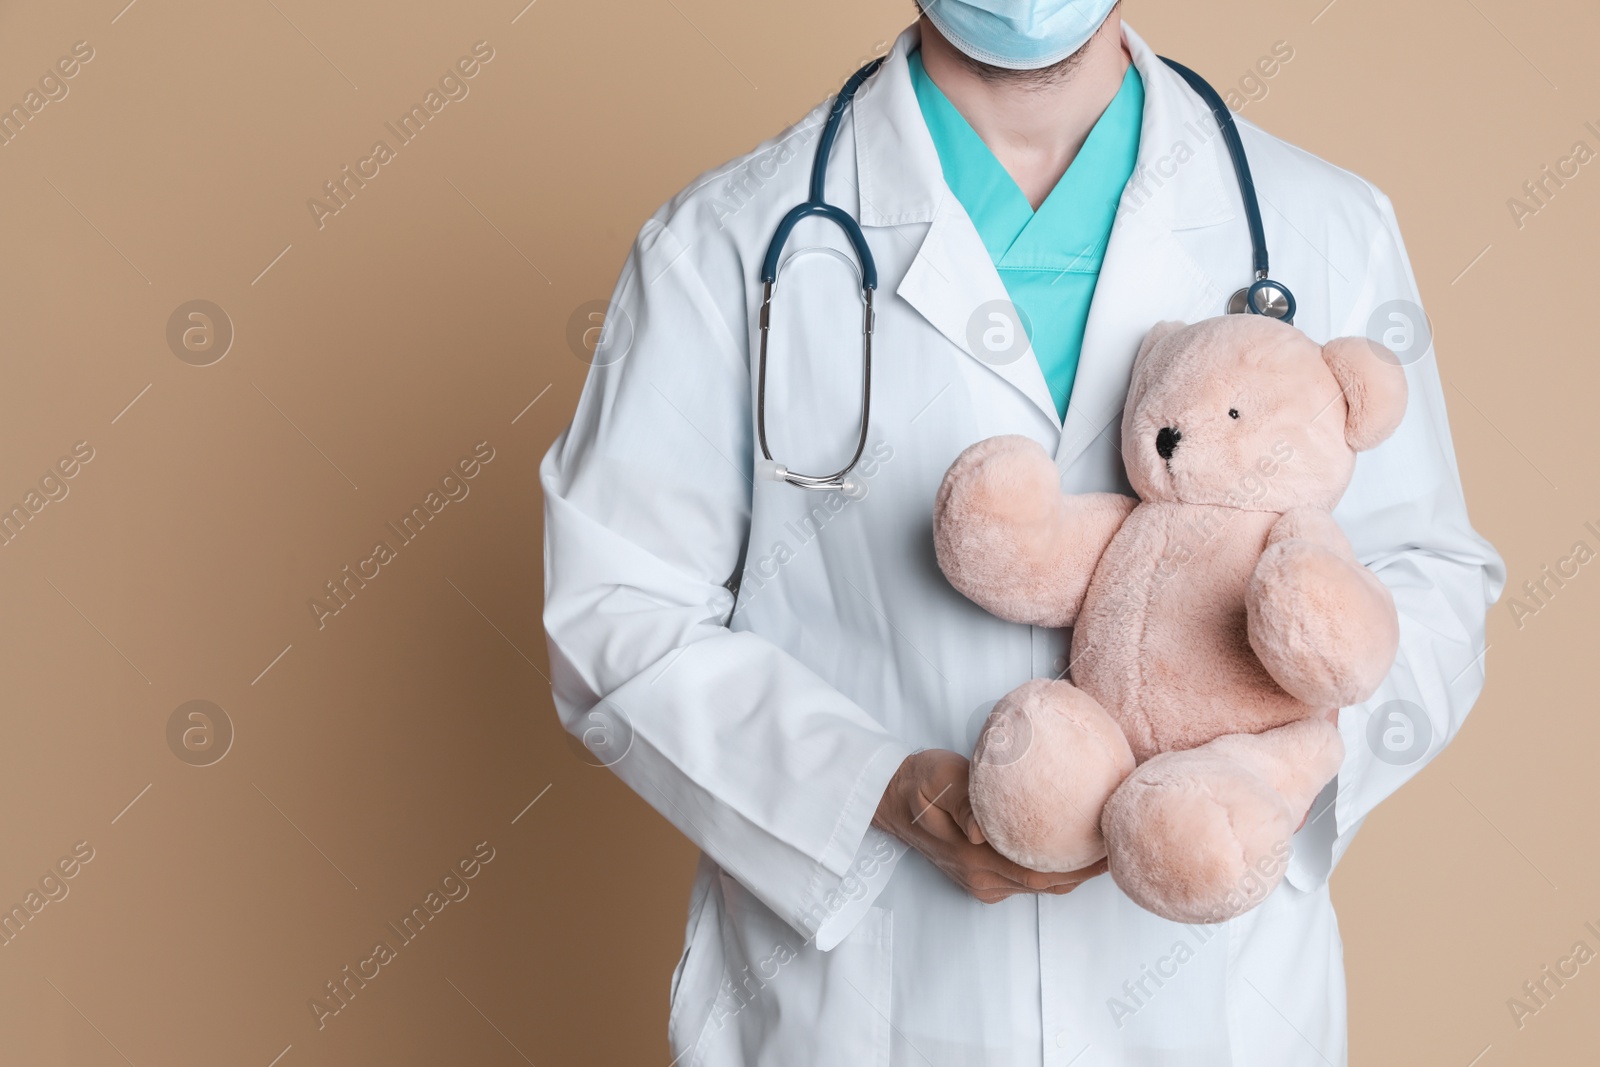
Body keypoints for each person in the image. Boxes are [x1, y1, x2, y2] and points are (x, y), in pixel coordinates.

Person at [541, 2, 1503, 1062]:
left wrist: (1267, 768)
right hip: (863, 1010)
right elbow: (615, 608)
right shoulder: (725, 243)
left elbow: (1430, 578)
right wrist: (871, 789)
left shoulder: (1321, 223)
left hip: (1213, 1010)